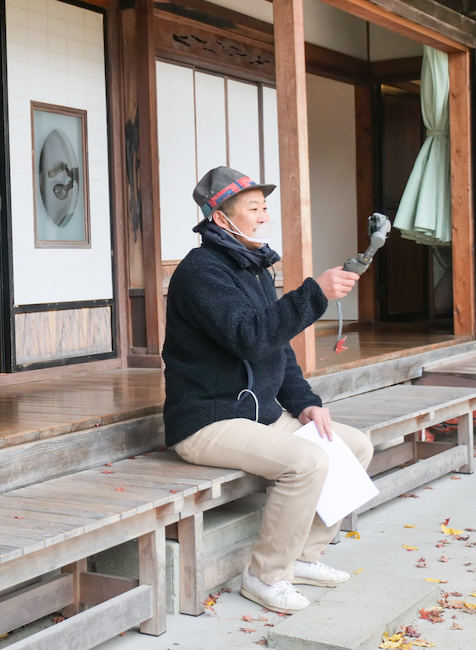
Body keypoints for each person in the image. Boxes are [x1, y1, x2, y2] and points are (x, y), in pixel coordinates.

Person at [162, 166, 374, 614]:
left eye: (264, 207)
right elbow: (250, 337)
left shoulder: (254, 268)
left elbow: (276, 347)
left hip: (256, 413)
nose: (263, 216)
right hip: (207, 419)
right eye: (253, 208)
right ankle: (264, 575)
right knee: (307, 462)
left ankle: (304, 557)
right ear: (222, 219)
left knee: (352, 445)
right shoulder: (200, 272)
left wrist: (305, 404)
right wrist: (314, 292)